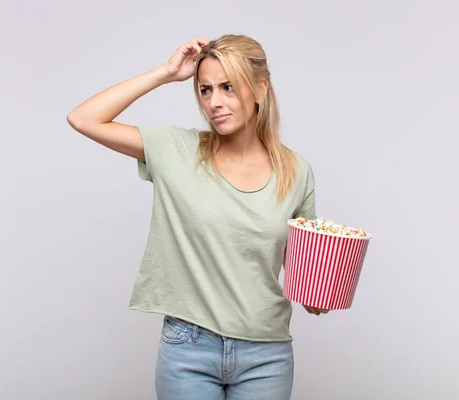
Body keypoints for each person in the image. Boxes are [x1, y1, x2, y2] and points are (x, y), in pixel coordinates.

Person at [67, 34, 328, 400]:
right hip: (188, 348)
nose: (214, 102)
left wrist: (319, 294)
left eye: (228, 87)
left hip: (266, 353)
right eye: (205, 90)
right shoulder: (176, 149)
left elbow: (307, 270)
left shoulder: (296, 171)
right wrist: (164, 73)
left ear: (260, 88)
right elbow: (83, 118)